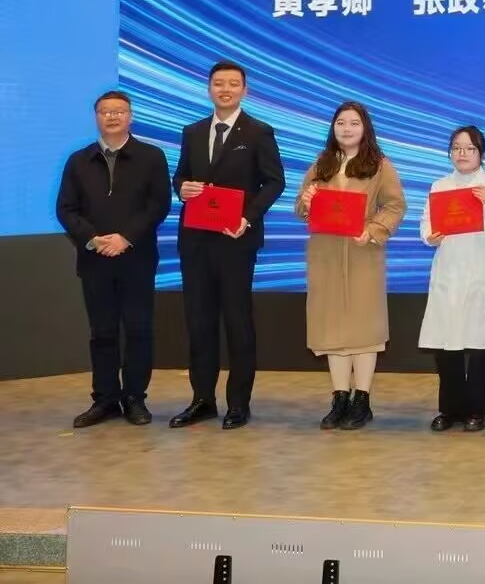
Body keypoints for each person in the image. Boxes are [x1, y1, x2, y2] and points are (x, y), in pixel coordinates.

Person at [171, 61, 286, 430]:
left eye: (233, 84)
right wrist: (182, 188)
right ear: (208, 88)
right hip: (195, 241)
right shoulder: (192, 131)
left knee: (238, 322)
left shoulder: (259, 131)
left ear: (244, 90)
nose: (225, 89)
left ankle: (239, 403)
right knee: (199, 322)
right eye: (219, 83)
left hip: (236, 239)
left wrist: (247, 218)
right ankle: (202, 399)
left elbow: (274, 182)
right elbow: (181, 175)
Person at [54, 91, 173, 428]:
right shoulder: (79, 161)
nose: (112, 116)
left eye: (119, 111)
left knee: (138, 330)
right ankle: (105, 398)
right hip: (95, 259)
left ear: (130, 116)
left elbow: (158, 204)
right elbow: (66, 209)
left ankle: (135, 398)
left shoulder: (151, 157)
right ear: (96, 117)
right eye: (105, 111)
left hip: (137, 258)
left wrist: (126, 237)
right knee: (102, 331)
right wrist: (92, 239)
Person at [292, 101, 406, 431]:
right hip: (326, 255)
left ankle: (362, 400)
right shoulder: (322, 163)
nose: (346, 128)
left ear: (365, 128)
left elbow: (395, 205)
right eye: (341, 122)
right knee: (332, 328)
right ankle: (339, 397)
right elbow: (301, 207)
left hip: (362, 254)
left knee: (363, 330)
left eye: (354, 123)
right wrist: (307, 202)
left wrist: (372, 231)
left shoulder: (380, 166)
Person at [420, 126, 485, 432]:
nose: (462, 153)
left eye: (469, 148)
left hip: (478, 273)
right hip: (447, 271)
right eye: (457, 148)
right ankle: (449, 409)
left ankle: (476, 410)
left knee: (480, 345)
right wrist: (430, 236)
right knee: (446, 344)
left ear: (480, 153)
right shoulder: (440, 185)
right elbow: (426, 223)